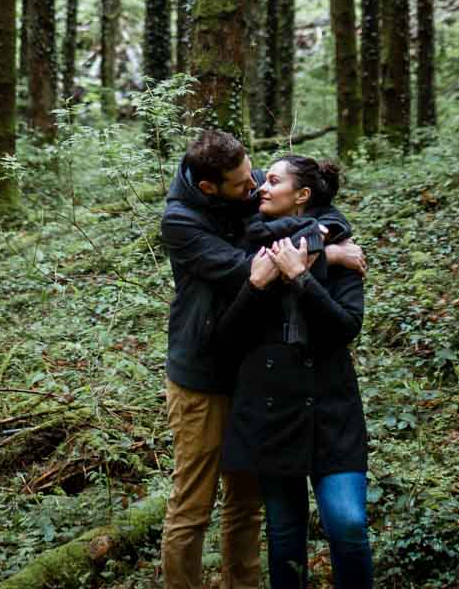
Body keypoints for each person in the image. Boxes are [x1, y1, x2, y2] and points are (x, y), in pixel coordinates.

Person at [160, 131, 366, 589]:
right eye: (244, 183)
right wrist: (327, 252)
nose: (255, 188)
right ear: (210, 187)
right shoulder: (180, 220)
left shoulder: (249, 188)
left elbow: (318, 212)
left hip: (253, 375)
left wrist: (316, 239)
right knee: (193, 505)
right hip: (202, 373)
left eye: (256, 174)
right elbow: (245, 268)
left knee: (245, 502)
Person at [214, 154, 373, 589]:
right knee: (285, 534)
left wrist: (303, 278)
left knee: (348, 523)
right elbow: (225, 337)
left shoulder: (342, 243)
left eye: (275, 181)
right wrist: (257, 284)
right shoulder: (246, 249)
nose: (262, 186)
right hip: (271, 409)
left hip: (330, 406)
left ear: (301, 195)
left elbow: (346, 326)